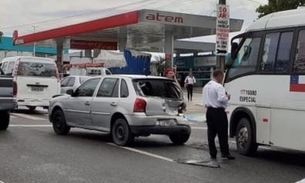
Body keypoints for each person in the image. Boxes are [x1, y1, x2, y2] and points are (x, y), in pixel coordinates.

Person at [202, 69, 235, 160]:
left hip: (209, 111)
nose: (222, 79)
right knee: (222, 133)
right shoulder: (219, 86)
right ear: (219, 76)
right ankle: (225, 152)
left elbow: (204, 100)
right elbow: (221, 99)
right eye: (222, 77)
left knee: (211, 133)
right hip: (218, 112)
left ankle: (213, 153)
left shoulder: (206, 86)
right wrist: (227, 97)